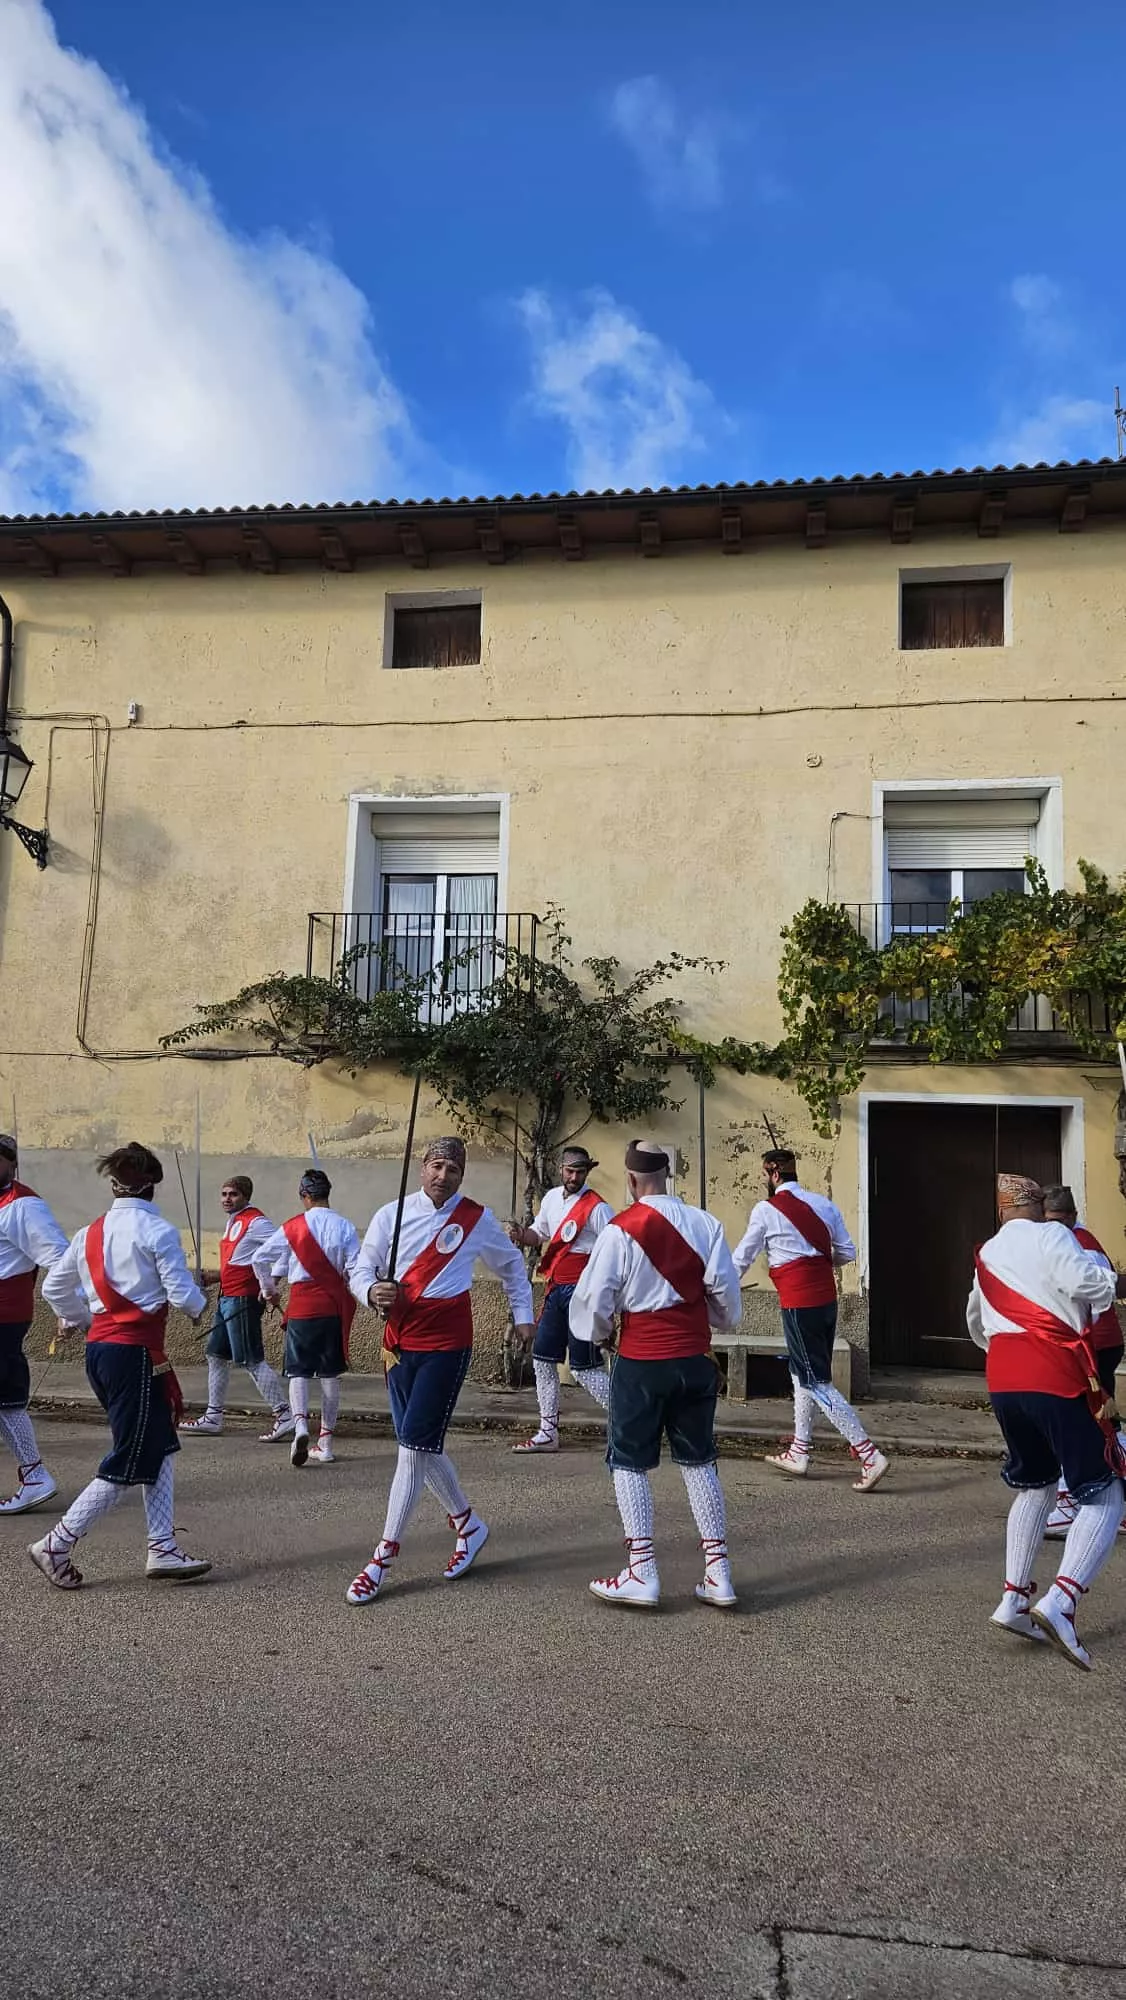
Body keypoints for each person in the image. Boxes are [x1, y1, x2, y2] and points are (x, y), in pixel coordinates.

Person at [344, 1136, 534, 1605]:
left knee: (411, 1448)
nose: (442, 1175)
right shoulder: (392, 1214)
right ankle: (469, 1526)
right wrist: (371, 1292)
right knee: (420, 1444)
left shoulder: (476, 1219)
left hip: (447, 1344)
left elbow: (512, 1266)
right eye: (435, 1165)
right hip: (398, 1343)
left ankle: (382, 1559)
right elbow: (359, 1267)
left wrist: (524, 1314)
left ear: (461, 1174)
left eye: (452, 1168)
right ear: (421, 1167)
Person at [570, 1139, 742, 1611]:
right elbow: (726, 1304)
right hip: (694, 1361)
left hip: (642, 1360)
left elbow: (594, 1304)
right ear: (669, 1176)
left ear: (630, 1180)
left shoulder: (619, 1230)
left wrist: (602, 1334)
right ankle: (718, 1572)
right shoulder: (706, 1224)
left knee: (628, 1461)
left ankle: (642, 1571)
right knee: (699, 1460)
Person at [31, 1143, 211, 1589]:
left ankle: (162, 1546)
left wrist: (81, 1317)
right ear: (152, 1186)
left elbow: (53, 1287)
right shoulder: (159, 1231)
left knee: (162, 1444)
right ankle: (56, 1542)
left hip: (102, 1352)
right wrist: (199, 1299)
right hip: (137, 1356)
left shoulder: (89, 1232)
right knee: (129, 1457)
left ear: (114, 1185)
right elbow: (184, 1297)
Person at [968, 1172, 1125, 1669]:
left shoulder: (988, 1252)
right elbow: (1087, 1285)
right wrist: (1108, 1281)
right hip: (1055, 1373)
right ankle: (1062, 1601)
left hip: (1003, 1379)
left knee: (1034, 1485)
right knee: (1105, 1491)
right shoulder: (1055, 1235)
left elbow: (975, 1319)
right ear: (1037, 1208)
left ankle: (1013, 1598)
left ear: (1001, 1211)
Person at [732, 1148, 888, 1492]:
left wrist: (717, 1284)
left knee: (816, 1381)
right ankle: (799, 1451)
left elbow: (742, 1258)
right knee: (801, 1373)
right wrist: (812, 1262)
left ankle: (868, 1453)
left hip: (798, 1302)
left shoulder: (766, 1210)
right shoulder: (824, 1204)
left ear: (772, 1174)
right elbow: (846, 1253)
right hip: (825, 1300)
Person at [507, 1145, 613, 1453]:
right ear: (561, 1169)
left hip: (583, 1291)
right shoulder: (552, 1198)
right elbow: (538, 1235)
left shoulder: (597, 1208)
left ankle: (628, 1422)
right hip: (556, 1290)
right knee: (542, 1359)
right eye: (570, 1171)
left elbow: (613, 1251)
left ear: (587, 1171)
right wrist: (518, 1233)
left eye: (580, 1171)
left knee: (583, 1367)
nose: (574, 1177)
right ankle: (548, 1430)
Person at [253, 1169, 360, 1469]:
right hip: (331, 1307)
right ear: (328, 1193)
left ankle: (300, 1425)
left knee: (298, 1371)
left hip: (301, 1306)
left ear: (304, 1196)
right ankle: (325, 1443)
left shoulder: (292, 1227)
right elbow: (354, 1270)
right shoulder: (346, 1226)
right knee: (329, 1374)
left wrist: (268, 1289)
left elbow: (258, 1258)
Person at [1038, 1185, 1125, 1538]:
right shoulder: (1068, 1242)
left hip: (1093, 1346)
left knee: (1083, 1422)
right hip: (1085, 1345)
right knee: (1096, 1422)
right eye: (1048, 1221)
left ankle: (1072, 1501)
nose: (1054, 1227)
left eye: (1059, 1220)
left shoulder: (1082, 1248)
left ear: (1072, 1217)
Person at [181, 1175, 292, 1441]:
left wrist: (271, 1283)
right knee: (216, 1355)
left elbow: (286, 1245)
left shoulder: (256, 1222)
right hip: (226, 1296)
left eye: (233, 1194)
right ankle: (214, 1416)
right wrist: (215, 1277)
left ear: (245, 1196)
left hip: (242, 1300)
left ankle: (284, 1415)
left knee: (251, 1359)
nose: (227, 1199)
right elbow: (240, 1260)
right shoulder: (233, 1221)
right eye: (224, 1194)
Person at [0, 1133, 70, 1516]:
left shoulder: (23, 1205)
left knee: (6, 1401)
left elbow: (59, 1258)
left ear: (12, 1163)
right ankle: (33, 1474)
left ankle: (35, 1475)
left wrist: (65, 1309)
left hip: (5, 1315)